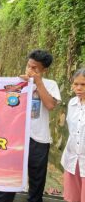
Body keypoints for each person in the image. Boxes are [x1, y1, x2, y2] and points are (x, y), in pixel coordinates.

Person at [0, 49, 61, 202]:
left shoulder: (51, 85)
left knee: (36, 183)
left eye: (34, 68)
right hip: (14, 138)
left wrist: (37, 83)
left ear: (44, 70)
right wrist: (19, 85)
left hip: (39, 140)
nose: (30, 70)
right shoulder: (15, 83)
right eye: (28, 66)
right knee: (6, 179)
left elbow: (50, 105)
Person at [61, 68, 85, 202]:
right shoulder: (72, 103)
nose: (79, 88)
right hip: (72, 159)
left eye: (83, 84)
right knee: (72, 199)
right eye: (76, 84)